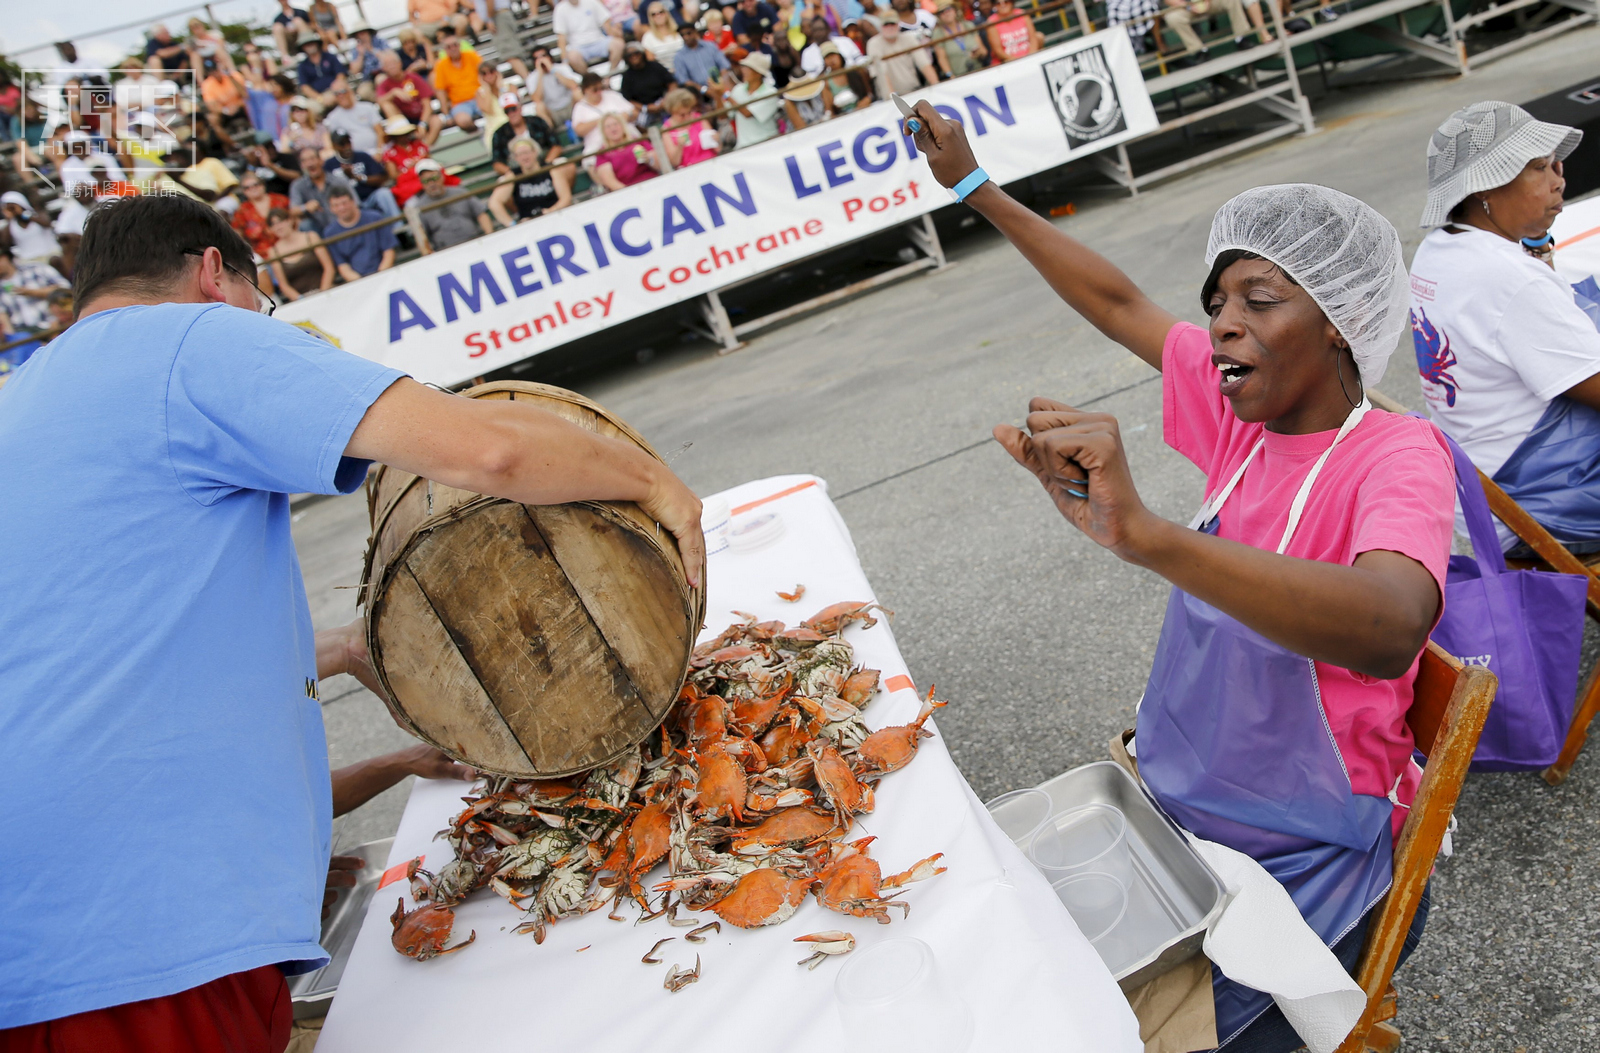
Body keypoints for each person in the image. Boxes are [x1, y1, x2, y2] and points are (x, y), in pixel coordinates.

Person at [0, 192, 703, 1048]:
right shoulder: (191, 336)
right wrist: (656, 485)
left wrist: (335, 651)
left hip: (36, 939)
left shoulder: (26, 397)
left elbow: (105, 643)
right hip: (143, 944)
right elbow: (493, 449)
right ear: (215, 273)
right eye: (266, 306)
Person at [903, 99, 1445, 1052]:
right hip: (1175, 802)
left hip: (1298, 855)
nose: (1221, 325)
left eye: (1257, 300)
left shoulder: (1397, 457)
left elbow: (1392, 621)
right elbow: (1118, 303)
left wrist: (1149, 536)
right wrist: (974, 187)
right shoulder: (1244, 418)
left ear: (1340, 323)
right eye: (1216, 306)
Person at [1409, 101, 1600, 556]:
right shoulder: (1507, 279)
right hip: (1544, 494)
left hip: (1485, 489)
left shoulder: (1440, 249)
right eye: (1540, 167)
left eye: (1556, 164)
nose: (1560, 179)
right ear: (1485, 187)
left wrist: (1530, 237)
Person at [409, 159, 495, 252]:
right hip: (445, 253)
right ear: (421, 183)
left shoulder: (460, 192)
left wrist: (489, 237)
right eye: (426, 181)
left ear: (441, 176)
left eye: (434, 178)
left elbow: (481, 214)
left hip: (475, 242)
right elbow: (421, 237)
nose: (431, 183)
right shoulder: (420, 208)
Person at [489, 137, 576, 224]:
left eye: (526, 152)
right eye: (519, 154)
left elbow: (566, 198)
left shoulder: (550, 169)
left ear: (535, 152)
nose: (524, 157)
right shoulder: (513, 176)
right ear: (515, 158)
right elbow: (494, 203)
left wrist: (551, 211)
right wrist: (513, 224)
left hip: (556, 217)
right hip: (529, 225)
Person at [321, 185, 396, 280]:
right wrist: (360, 283)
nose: (342, 208)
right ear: (331, 209)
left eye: (344, 203)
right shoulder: (330, 233)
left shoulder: (375, 218)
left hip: (386, 275)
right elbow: (342, 266)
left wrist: (380, 277)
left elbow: (389, 251)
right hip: (357, 282)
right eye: (336, 205)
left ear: (353, 202)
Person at [325, 131, 402, 221]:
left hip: (370, 197)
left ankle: (398, 226)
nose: (347, 147)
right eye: (342, 144)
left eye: (348, 142)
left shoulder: (362, 156)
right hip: (348, 204)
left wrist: (357, 178)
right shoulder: (329, 165)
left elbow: (382, 178)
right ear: (334, 146)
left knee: (384, 193)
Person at [264, 207, 335, 298]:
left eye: (280, 221)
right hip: (301, 300)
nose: (278, 227)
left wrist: (323, 293)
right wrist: (300, 299)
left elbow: (329, 268)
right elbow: (283, 285)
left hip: (327, 292)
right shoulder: (273, 252)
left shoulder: (311, 237)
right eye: (273, 224)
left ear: (290, 220)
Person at [376, 50, 443, 145]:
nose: (391, 66)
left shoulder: (413, 78)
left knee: (437, 120)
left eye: (393, 63)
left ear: (400, 63)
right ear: (383, 68)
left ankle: (424, 149)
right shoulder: (384, 85)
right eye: (388, 64)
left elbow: (427, 104)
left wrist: (422, 124)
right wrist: (393, 93)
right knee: (386, 104)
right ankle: (403, 132)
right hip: (403, 121)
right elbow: (379, 102)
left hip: (421, 117)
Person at [0, 246, 69, 335]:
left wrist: (32, 292)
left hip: (52, 325)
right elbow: (3, 317)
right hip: (24, 335)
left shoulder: (36, 268)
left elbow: (66, 291)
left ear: (4, 257)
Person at [865, 17, 934, 100]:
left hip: (914, 89)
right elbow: (881, 73)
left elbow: (924, 63)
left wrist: (936, 85)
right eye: (886, 24)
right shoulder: (873, 44)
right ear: (880, 27)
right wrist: (893, 98)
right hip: (890, 97)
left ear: (898, 25)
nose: (890, 27)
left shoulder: (908, 38)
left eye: (893, 24)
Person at [571, 72, 639, 156]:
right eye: (595, 90)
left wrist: (626, 116)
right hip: (598, 147)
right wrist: (603, 120)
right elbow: (579, 130)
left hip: (626, 141)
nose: (599, 92)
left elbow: (634, 112)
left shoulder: (612, 95)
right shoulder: (580, 107)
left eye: (601, 88)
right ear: (586, 90)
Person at [1161, 0, 1258, 57]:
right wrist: (1189, 7)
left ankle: (1241, 37)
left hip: (1209, 3)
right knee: (1172, 18)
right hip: (1186, 7)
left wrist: (1207, 1)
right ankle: (1198, 50)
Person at [491, 100, 563, 177]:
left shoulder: (537, 122)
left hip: (545, 164)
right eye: (507, 111)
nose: (511, 114)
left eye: (513, 109)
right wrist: (514, 173)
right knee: (504, 182)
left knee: (561, 163)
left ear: (520, 108)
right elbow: (496, 163)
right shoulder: (499, 133)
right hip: (518, 175)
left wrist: (545, 165)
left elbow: (556, 146)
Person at [290, 146, 357, 229]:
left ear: (321, 161)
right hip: (318, 228)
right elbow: (293, 210)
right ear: (302, 166)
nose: (310, 164)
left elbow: (356, 202)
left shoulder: (338, 181)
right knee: (305, 225)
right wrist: (305, 207)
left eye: (312, 159)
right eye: (305, 161)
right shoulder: (298, 185)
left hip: (342, 224)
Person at [431, 29, 485, 132]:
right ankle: (481, 132)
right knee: (463, 121)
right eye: (448, 47)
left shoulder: (471, 56)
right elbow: (440, 91)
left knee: (492, 110)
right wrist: (446, 115)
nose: (453, 48)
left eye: (455, 45)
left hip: (480, 96)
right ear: (445, 50)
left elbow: (486, 73)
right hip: (460, 104)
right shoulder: (441, 66)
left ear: (459, 45)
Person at [555, 0, 625, 73]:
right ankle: (591, 80)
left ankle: (610, 74)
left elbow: (606, 23)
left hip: (599, 41)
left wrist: (616, 35)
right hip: (577, 47)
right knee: (572, 57)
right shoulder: (560, 9)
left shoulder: (592, 2)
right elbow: (561, 37)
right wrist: (564, 60)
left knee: (619, 44)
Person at [594, 112, 661, 189]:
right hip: (627, 191)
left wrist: (649, 159)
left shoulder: (638, 141)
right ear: (603, 131)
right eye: (608, 126)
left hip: (652, 182)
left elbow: (660, 164)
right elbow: (610, 181)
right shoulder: (602, 153)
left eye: (615, 124)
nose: (613, 129)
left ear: (622, 126)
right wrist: (630, 193)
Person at [728, 51, 781, 147]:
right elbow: (725, 115)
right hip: (743, 147)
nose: (743, 70)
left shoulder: (771, 93)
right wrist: (718, 95)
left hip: (768, 144)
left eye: (748, 68)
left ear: (758, 73)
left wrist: (726, 96)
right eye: (744, 67)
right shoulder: (737, 89)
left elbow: (747, 114)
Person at [232, 174, 292, 258]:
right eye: (247, 187)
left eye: (255, 185)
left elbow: (295, 220)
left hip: (290, 246)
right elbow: (237, 235)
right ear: (244, 192)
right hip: (263, 255)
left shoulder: (280, 200)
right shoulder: (242, 211)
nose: (252, 189)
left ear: (263, 185)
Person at [661, 87, 721, 167]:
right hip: (689, 171)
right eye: (682, 115)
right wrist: (679, 146)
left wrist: (717, 140)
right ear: (672, 112)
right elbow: (674, 162)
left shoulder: (699, 119)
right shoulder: (666, 129)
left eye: (689, 112)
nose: (686, 117)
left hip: (711, 163)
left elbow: (718, 149)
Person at [620, 42, 678, 122]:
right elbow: (628, 99)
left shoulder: (655, 66)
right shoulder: (627, 76)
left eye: (636, 53)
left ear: (642, 53)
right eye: (629, 55)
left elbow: (672, 83)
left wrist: (666, 100)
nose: (634, 57)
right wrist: (645, 108)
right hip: (644, 110)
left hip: (665, 101)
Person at [382, 117, 435, 204]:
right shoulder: (389, 154)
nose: (404, 136)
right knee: (411, 205)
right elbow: (394, 176)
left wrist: (421, 165)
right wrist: (411, 169)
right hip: (409, 187)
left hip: (429, 181)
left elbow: (431, 163)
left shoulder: (419, 145)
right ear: (394, 137)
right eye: (400, 134)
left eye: (406, 133)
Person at [528, 45, 581, 130]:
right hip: (552, 112)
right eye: (537, 58)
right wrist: (540, 74)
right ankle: (551, 136)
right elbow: (537, 99)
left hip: (570, 106)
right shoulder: (532, 77)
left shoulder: (562, 68)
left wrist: (552, 70)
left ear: (549, 57)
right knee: (539, 107)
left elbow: (573, 85)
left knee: (577, 93)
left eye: (543, 56)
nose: (541, 60)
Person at [2, 193, 63, 266]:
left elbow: (47, 224)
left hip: (50, 256)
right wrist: (9, 219)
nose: (12, 210)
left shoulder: (37, 215)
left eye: (13, 207)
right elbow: (5, 243)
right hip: (29, 261)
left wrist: (23, 213)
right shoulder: (10, 226)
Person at [323, 83, 386, 153]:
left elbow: (380, 132)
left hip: (376, 150)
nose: (341, 96)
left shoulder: (367, 107)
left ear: (350, 92)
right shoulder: (333, 117)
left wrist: (379, 151)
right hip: (354, 156)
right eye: (337, 94)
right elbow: (335, 143)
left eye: (343, 91)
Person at [674, 22, 733, 92]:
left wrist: (722, 83)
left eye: (688, 33)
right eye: (682, 35)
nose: (686, 37)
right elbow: (684, 80)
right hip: (700, 93)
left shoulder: (710, 46)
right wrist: (704, 90)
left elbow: (724, 66)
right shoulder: (679, 56)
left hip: (721, 84)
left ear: (695, 32)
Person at [931, 0, 985, 75]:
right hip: (958, 76)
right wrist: (950, 75)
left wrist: (978, 53)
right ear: (939, 16)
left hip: (978, 70)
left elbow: (983, 51)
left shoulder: (968, 25)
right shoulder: (938, 33)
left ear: (955, 10)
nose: (946, 14)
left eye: (948, 9)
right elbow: (942, 58)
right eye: (941, 12)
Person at [296, 33, 349, 108]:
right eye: (306, 44)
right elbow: (305, 87)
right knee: (311, 108)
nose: (310, 46)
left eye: (311, 43)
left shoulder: (330, 57)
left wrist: (335, 91)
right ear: (302, 48)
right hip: (318, 96)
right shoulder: (302, 66)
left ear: (317, 44)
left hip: (336, 91)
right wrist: (320, 98)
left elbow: (340, 75)